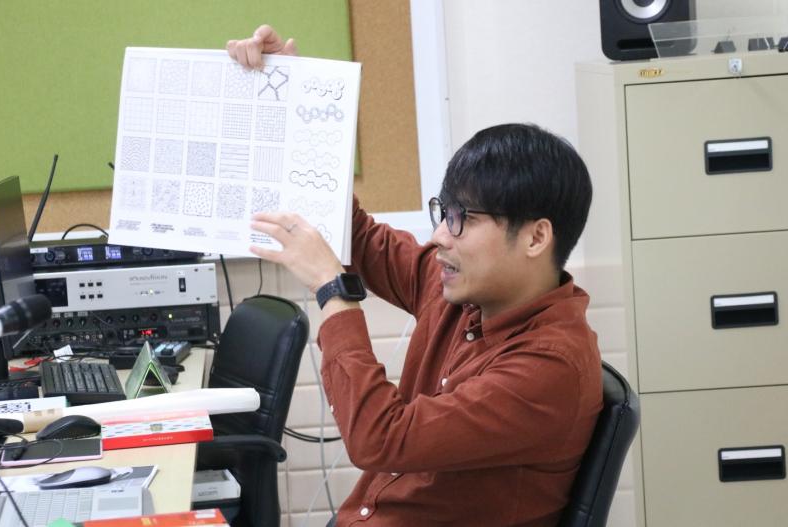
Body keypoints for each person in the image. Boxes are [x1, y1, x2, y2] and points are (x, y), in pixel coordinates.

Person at [229, 24, 603, 527]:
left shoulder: (548, 368)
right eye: (443, 213)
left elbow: (379, 439)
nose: (439, 236)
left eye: (462, 219)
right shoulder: (463, 290)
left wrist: (333, 291)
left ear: (536, 238)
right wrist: (294, 98)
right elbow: (358, 236)